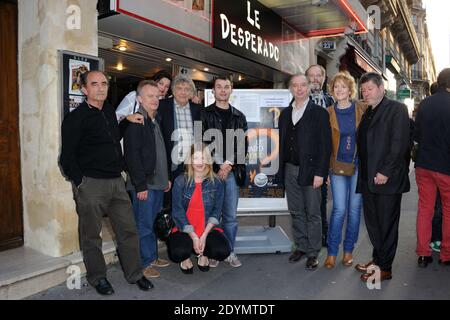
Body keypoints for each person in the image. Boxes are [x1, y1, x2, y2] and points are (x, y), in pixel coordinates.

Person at [59, 70, 154, 295]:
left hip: (116, 182)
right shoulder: (75, 117)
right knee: (91, 235)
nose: (101, 88)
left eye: (104, 83)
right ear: (84, 89)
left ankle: (135, 273)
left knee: (128, 231)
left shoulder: (110, 111)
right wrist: (80, 182)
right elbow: (66, 158)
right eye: (95, 84)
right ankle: (98, 277)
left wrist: (125, 121)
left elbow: (111, 137)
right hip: (91, 184)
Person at [355, 72, 411, 282]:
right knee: (374, 223)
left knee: (386, 223)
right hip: (368, 179)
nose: (366, 93)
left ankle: (384, 267)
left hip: (386, 179)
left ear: (381, 88)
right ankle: (377, 258)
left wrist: (385, 172)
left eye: (369, 89)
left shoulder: (397, 109)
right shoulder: (368, 111)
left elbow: (399, 143)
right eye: (363, 90)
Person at [279, 73, 331, 270]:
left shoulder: (319, 113)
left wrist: (321, 173)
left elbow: (326, 146)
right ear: (290, 88)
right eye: (295, 85)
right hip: (290, 169)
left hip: (311, 171)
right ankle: (300, 246)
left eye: (303, 85)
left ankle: (313, 252)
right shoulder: (284, 114)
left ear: (309, 87)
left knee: (313, 213)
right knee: (296, 211)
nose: (299, 89)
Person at [123, 80, 172, 279]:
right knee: (143, 225)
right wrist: (140, 185)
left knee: (151, 223)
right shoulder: (137, 122)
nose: (155, 99)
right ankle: (143, 263)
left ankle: (151, 257)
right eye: (149, 96)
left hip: (158, 183)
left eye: (157, 96)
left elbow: (160, 153)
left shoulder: (155, 120)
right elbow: (131, 157)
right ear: (139, 99)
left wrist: (166, 178)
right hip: (145, 185)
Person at [201, 76, 248, 268]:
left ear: (231, 90)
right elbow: (201, 142)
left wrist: (227, 164)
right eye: (218, 87)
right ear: (213, 91)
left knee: (230, 216)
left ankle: (229, 252)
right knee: (212, 215)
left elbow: (242, 144)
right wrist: (218, 165)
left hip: (231, 172)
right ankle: (214, 252)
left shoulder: (239, 116)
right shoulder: (204, 114)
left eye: (226, 87)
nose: (222, 90)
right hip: (210, 173)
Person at [167, 144, 231, 273]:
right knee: (178, 253)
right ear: (189, 160)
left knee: (222, 251)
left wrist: (204, 235)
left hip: (206, 227)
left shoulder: (217, 183)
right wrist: (195, 237)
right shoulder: (180, 181)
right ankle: (185, 257)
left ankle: (204, 253)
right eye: (196, 158)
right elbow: (178, 212)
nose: (200, 162)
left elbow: (217, 211)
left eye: (203, 158)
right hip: (184, 228)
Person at [324, 71, 365, 269]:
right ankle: (332, 252)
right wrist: (325, 171)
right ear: (332, 91)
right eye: (336, 87)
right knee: (339, 209)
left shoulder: (362, 109)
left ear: (350, 90)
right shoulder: (328, 112)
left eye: (343, 87)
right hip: (337, 167)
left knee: (355, 210)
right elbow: (324, 144)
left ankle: (348, 250)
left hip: (358, 166)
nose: (339, 90)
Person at [414, 68, 450, 267]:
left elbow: (417, 135)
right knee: (448, 210)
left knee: (425, 208)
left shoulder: (425, 104)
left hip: (424, 165)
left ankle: (423, 253)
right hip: (446, 166)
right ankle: (446, 254)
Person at [159, 75, 203, 209]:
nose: (183, 92)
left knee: (190, 201)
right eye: (179, 88)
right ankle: (172, 229)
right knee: (170, 201)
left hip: (191, 164)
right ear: (173, 91)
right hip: (170, 163)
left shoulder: (198, 109)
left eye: (187, 89)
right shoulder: (162, 106)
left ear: (191, 92)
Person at [305, 64, 335, 247]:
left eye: (319, 76)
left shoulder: (332, 101)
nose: (315, 79)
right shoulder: (298, 98)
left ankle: (323, 234)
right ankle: (307, 238)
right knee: (304, 201)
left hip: (323, 158)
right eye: (312, 75)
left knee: (321, 199)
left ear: (324, 79)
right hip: (303, 159)